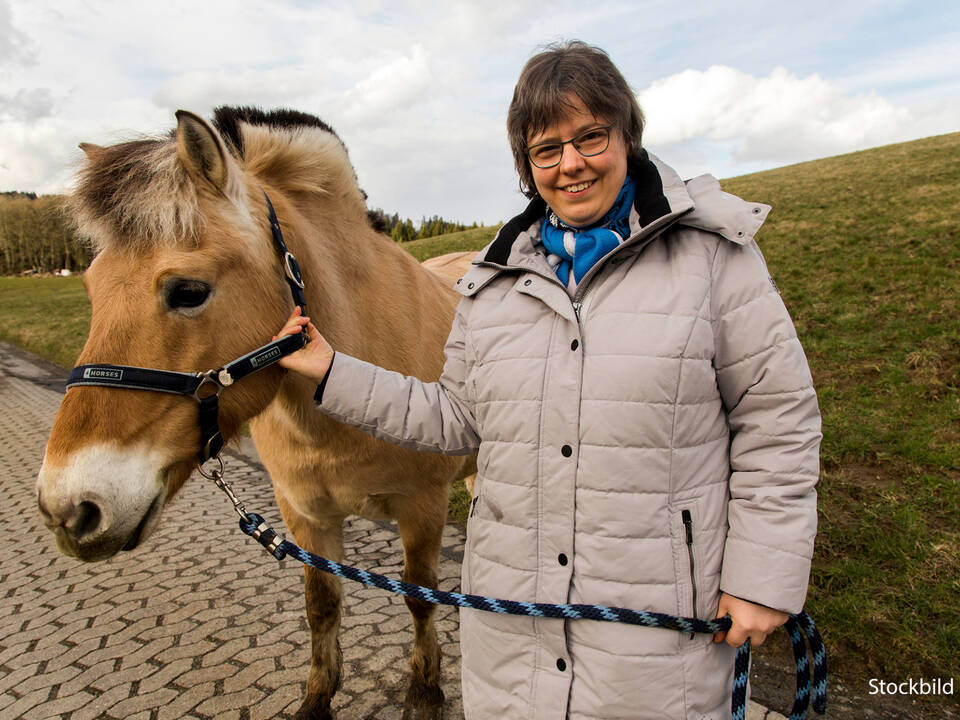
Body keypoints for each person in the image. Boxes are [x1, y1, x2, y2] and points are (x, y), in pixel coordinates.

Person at [275, 41, 820, 720]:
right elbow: (454, 418)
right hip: (515, 637)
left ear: (627, 136)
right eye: (546, 150)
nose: (572, 164)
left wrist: (763, 576)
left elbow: (779, 422)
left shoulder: (715, 261)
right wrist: (332, 371)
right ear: (527, 168)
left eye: (591, 136)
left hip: (652, 636)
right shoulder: (493, 286)